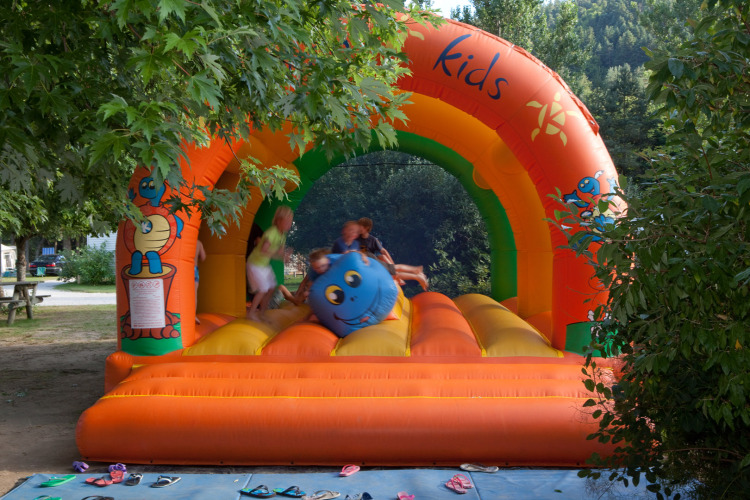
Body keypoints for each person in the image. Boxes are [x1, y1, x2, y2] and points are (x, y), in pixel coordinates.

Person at [245, 206, 294, 321]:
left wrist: (285, 256)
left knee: (272, 288)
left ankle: (262, 312)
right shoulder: (272, 232)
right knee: (263, 289)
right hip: (255, 263)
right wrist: (279, 254)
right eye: (286, 221)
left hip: (263, 265)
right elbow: (263, 250)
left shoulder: (282, 235)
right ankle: (251, 313)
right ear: (278, 221)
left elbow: (280, 252)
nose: (289, 224)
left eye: (290, 221)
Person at [306, 247, 429, 291]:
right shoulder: (315, 271)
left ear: (327, 260)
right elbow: (312, 285)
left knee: (392, 272)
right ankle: (415, 271)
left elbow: (351, 252)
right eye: (317, 268)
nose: (320, 269)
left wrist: (363, 256)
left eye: (322, 266)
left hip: (367, 260)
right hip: (362, 266)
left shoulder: (334, 259)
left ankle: (416, 274)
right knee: (392, 270)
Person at [194, 239, 206, 324]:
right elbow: (203, 257)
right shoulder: (198, 243)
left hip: (184, 269)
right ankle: (193, 315)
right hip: (194, 270)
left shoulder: (185, 240)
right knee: (194, 294)